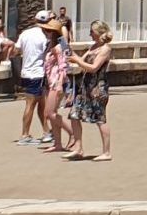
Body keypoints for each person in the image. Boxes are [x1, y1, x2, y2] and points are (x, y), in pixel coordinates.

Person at [64, 20, 114, 161]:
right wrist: (72, 55)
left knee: (100, 118)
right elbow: (82, 61)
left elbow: (94, 67)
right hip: (85, 86)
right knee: (74, 114)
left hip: (98, 87)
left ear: (99, 32)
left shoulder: (105, 49)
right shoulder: (93, 47)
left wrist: (77, 61)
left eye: (92, 31)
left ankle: (106, 152)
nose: (90, 34)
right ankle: (78, 148)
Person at [15, 11, 50, 144]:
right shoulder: (45, 37)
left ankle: (47, 131)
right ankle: (25, 135)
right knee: (30, 104)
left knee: (41, 103)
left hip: (26, 72)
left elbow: (16, 50)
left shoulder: (25, 33)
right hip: (37, 74)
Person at [37, 18, 69, 153]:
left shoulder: (59, 47)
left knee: (49, 113)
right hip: (51, 81)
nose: (45, 32)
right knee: (51, 113)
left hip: (57, 82)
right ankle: (58, 143)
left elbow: (63, 66)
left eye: (47, 30)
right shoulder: (50, 45)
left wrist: (61, 83)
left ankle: (72, 133)